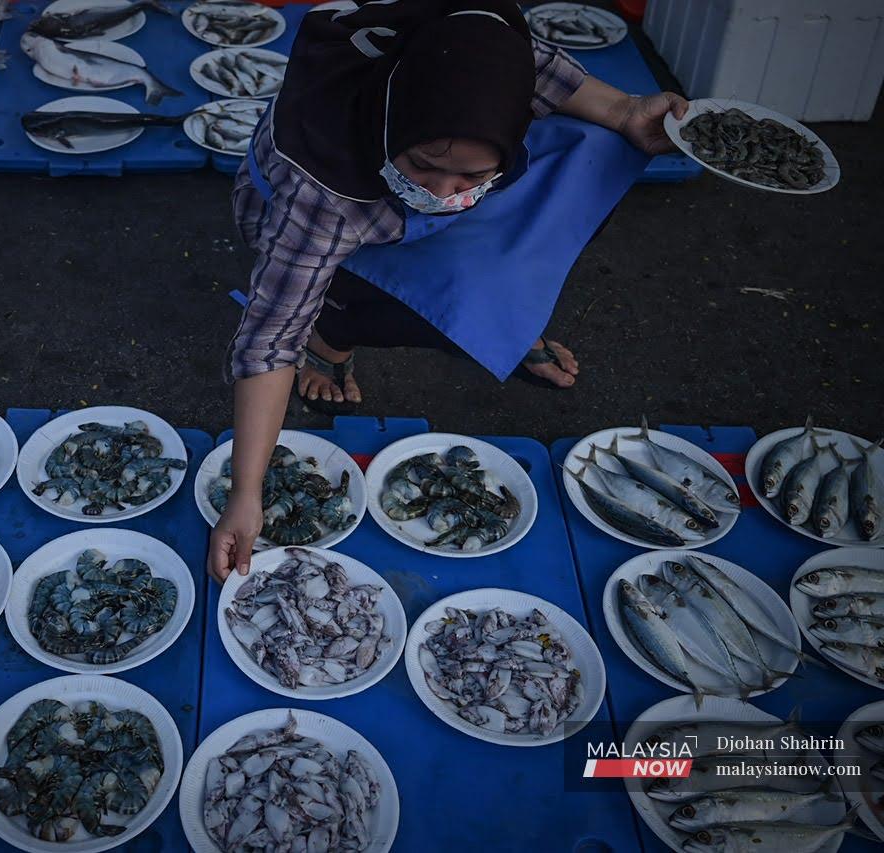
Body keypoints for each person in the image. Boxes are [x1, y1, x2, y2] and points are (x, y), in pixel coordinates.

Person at [208, 0, 688, 581]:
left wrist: (628, 110)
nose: (439, 189)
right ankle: (332, 333)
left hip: (417, 173)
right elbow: (269, 341)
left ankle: (508, 307)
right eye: (422, 166)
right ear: (397, 121)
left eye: (469, 177)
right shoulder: (324, 196)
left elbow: (548, 74)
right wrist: (246, 493)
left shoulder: (486, 55)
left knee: (604, 146)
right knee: (366, 303)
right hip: (324, 213)